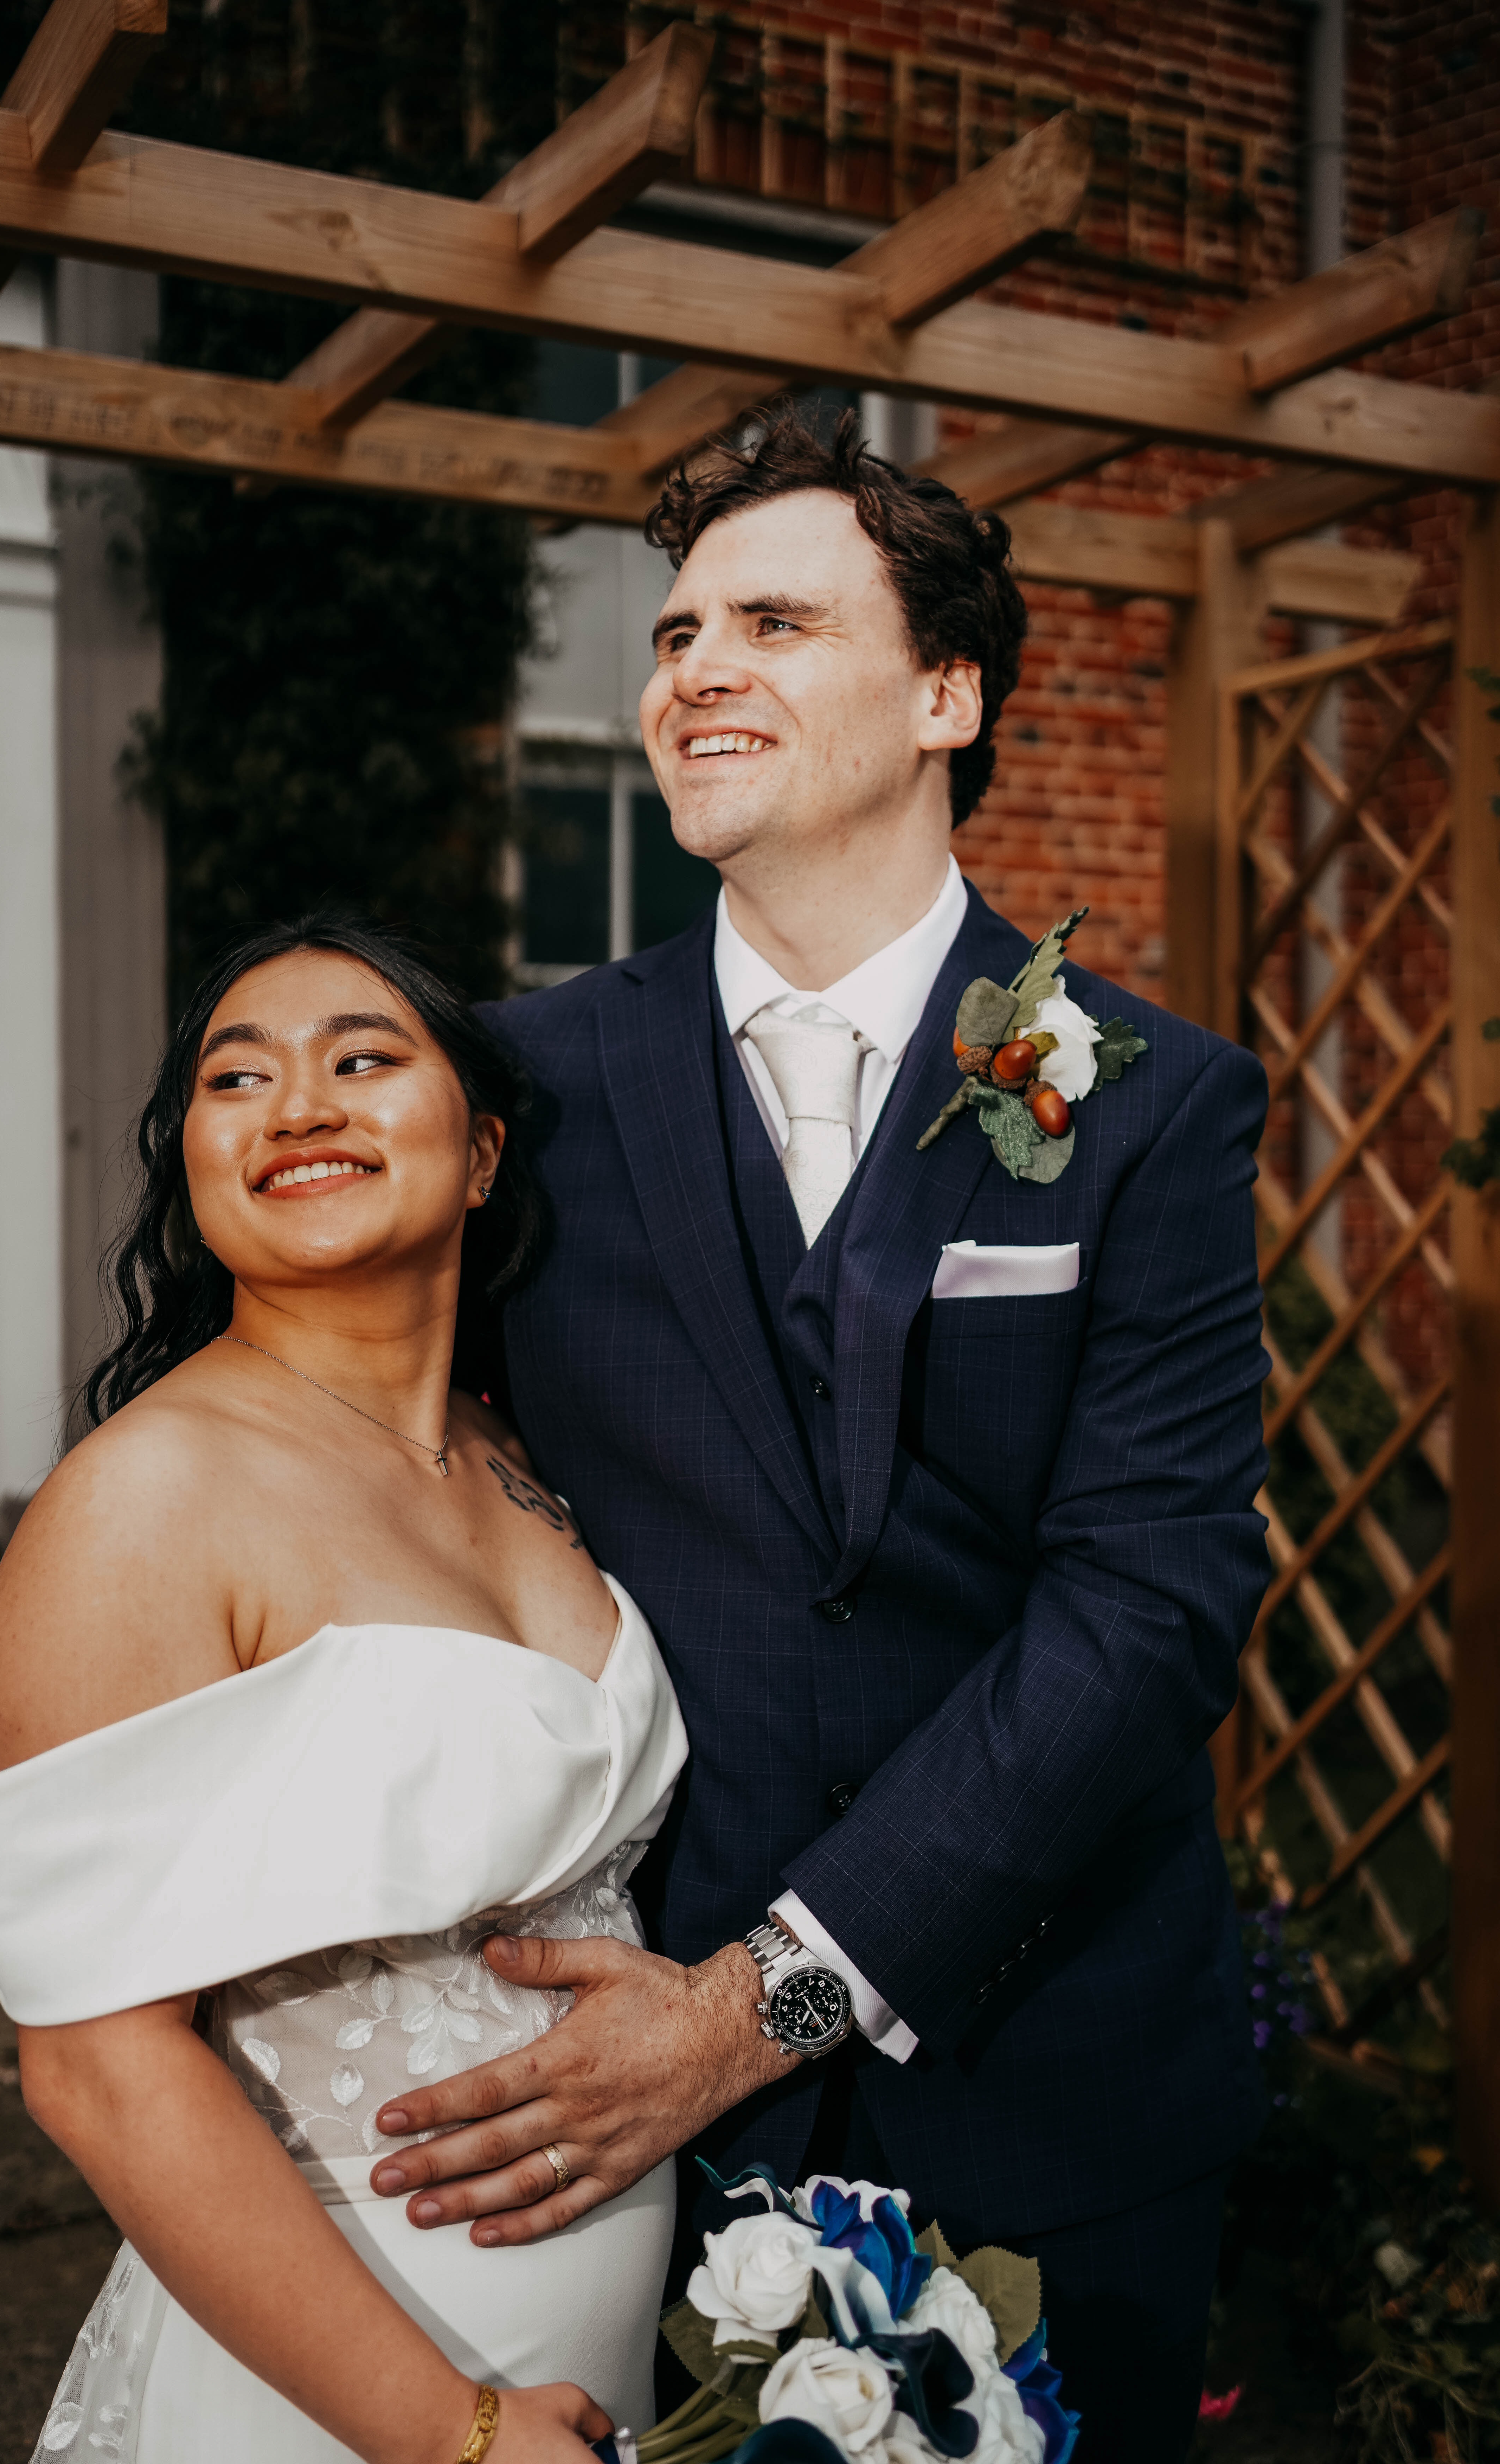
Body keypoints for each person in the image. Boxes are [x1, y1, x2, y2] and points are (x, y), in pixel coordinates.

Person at [361, 406, 1273, 2464]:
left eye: (774, 619)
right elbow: (366, 1444)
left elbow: (1149, 1600)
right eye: (677, 631)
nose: (694, 670)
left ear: (947, 692)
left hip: (1061, 2071)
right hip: (626, 2094)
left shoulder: (1143, 1100)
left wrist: (751, 2007)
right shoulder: (527, 1084)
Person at [0, 918, 690, 2464]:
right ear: (197, 1172)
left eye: (363, 1060)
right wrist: (448, 2431)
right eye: (235, 1078)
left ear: (479, 1155)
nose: (299, 1107)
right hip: (335, 2391)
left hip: (607, 2365)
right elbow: (95, 2065)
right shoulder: (143, 1502)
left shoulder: (514, 1452)